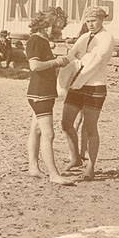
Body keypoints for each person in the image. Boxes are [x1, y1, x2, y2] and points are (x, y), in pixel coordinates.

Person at [61, 6, 115, 181]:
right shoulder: (84, 37)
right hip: (77, 85)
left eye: (94, 21)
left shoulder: (106, 38)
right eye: (88, 21)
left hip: (94, 86)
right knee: (66, 123)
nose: (90, 24)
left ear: (102, 20)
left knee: (90, 127)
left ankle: (90, 166)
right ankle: (75, 158)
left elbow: (94, 64)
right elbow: (70, 56)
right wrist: (59, 67)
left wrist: (75, 82)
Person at [25, 9, 74, 186]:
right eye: (57, 27)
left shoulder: (40, 40)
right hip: (40, 94)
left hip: (40, 92)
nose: (59, 32)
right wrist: (57, 62)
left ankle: (33, 167)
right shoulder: (36, 41)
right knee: (48, 134)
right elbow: (35, 65)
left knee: (36, 130)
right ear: (47, 24)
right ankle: (54, 174)